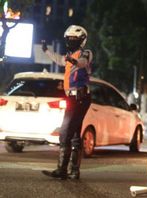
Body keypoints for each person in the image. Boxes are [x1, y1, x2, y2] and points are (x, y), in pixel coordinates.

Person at [41, 25, 93, 180]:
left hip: (80, 98)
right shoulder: (71, 55)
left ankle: (62, 170)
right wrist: (46, 50)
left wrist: (71, 59)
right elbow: (59, 60)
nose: (70, 41)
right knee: (75, 135)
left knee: (65, 134)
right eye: (68, 39)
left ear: (82, 40)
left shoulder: (86, 53)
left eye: (73, 39)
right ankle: (74, 171)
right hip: (73, 98)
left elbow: (82, 63)